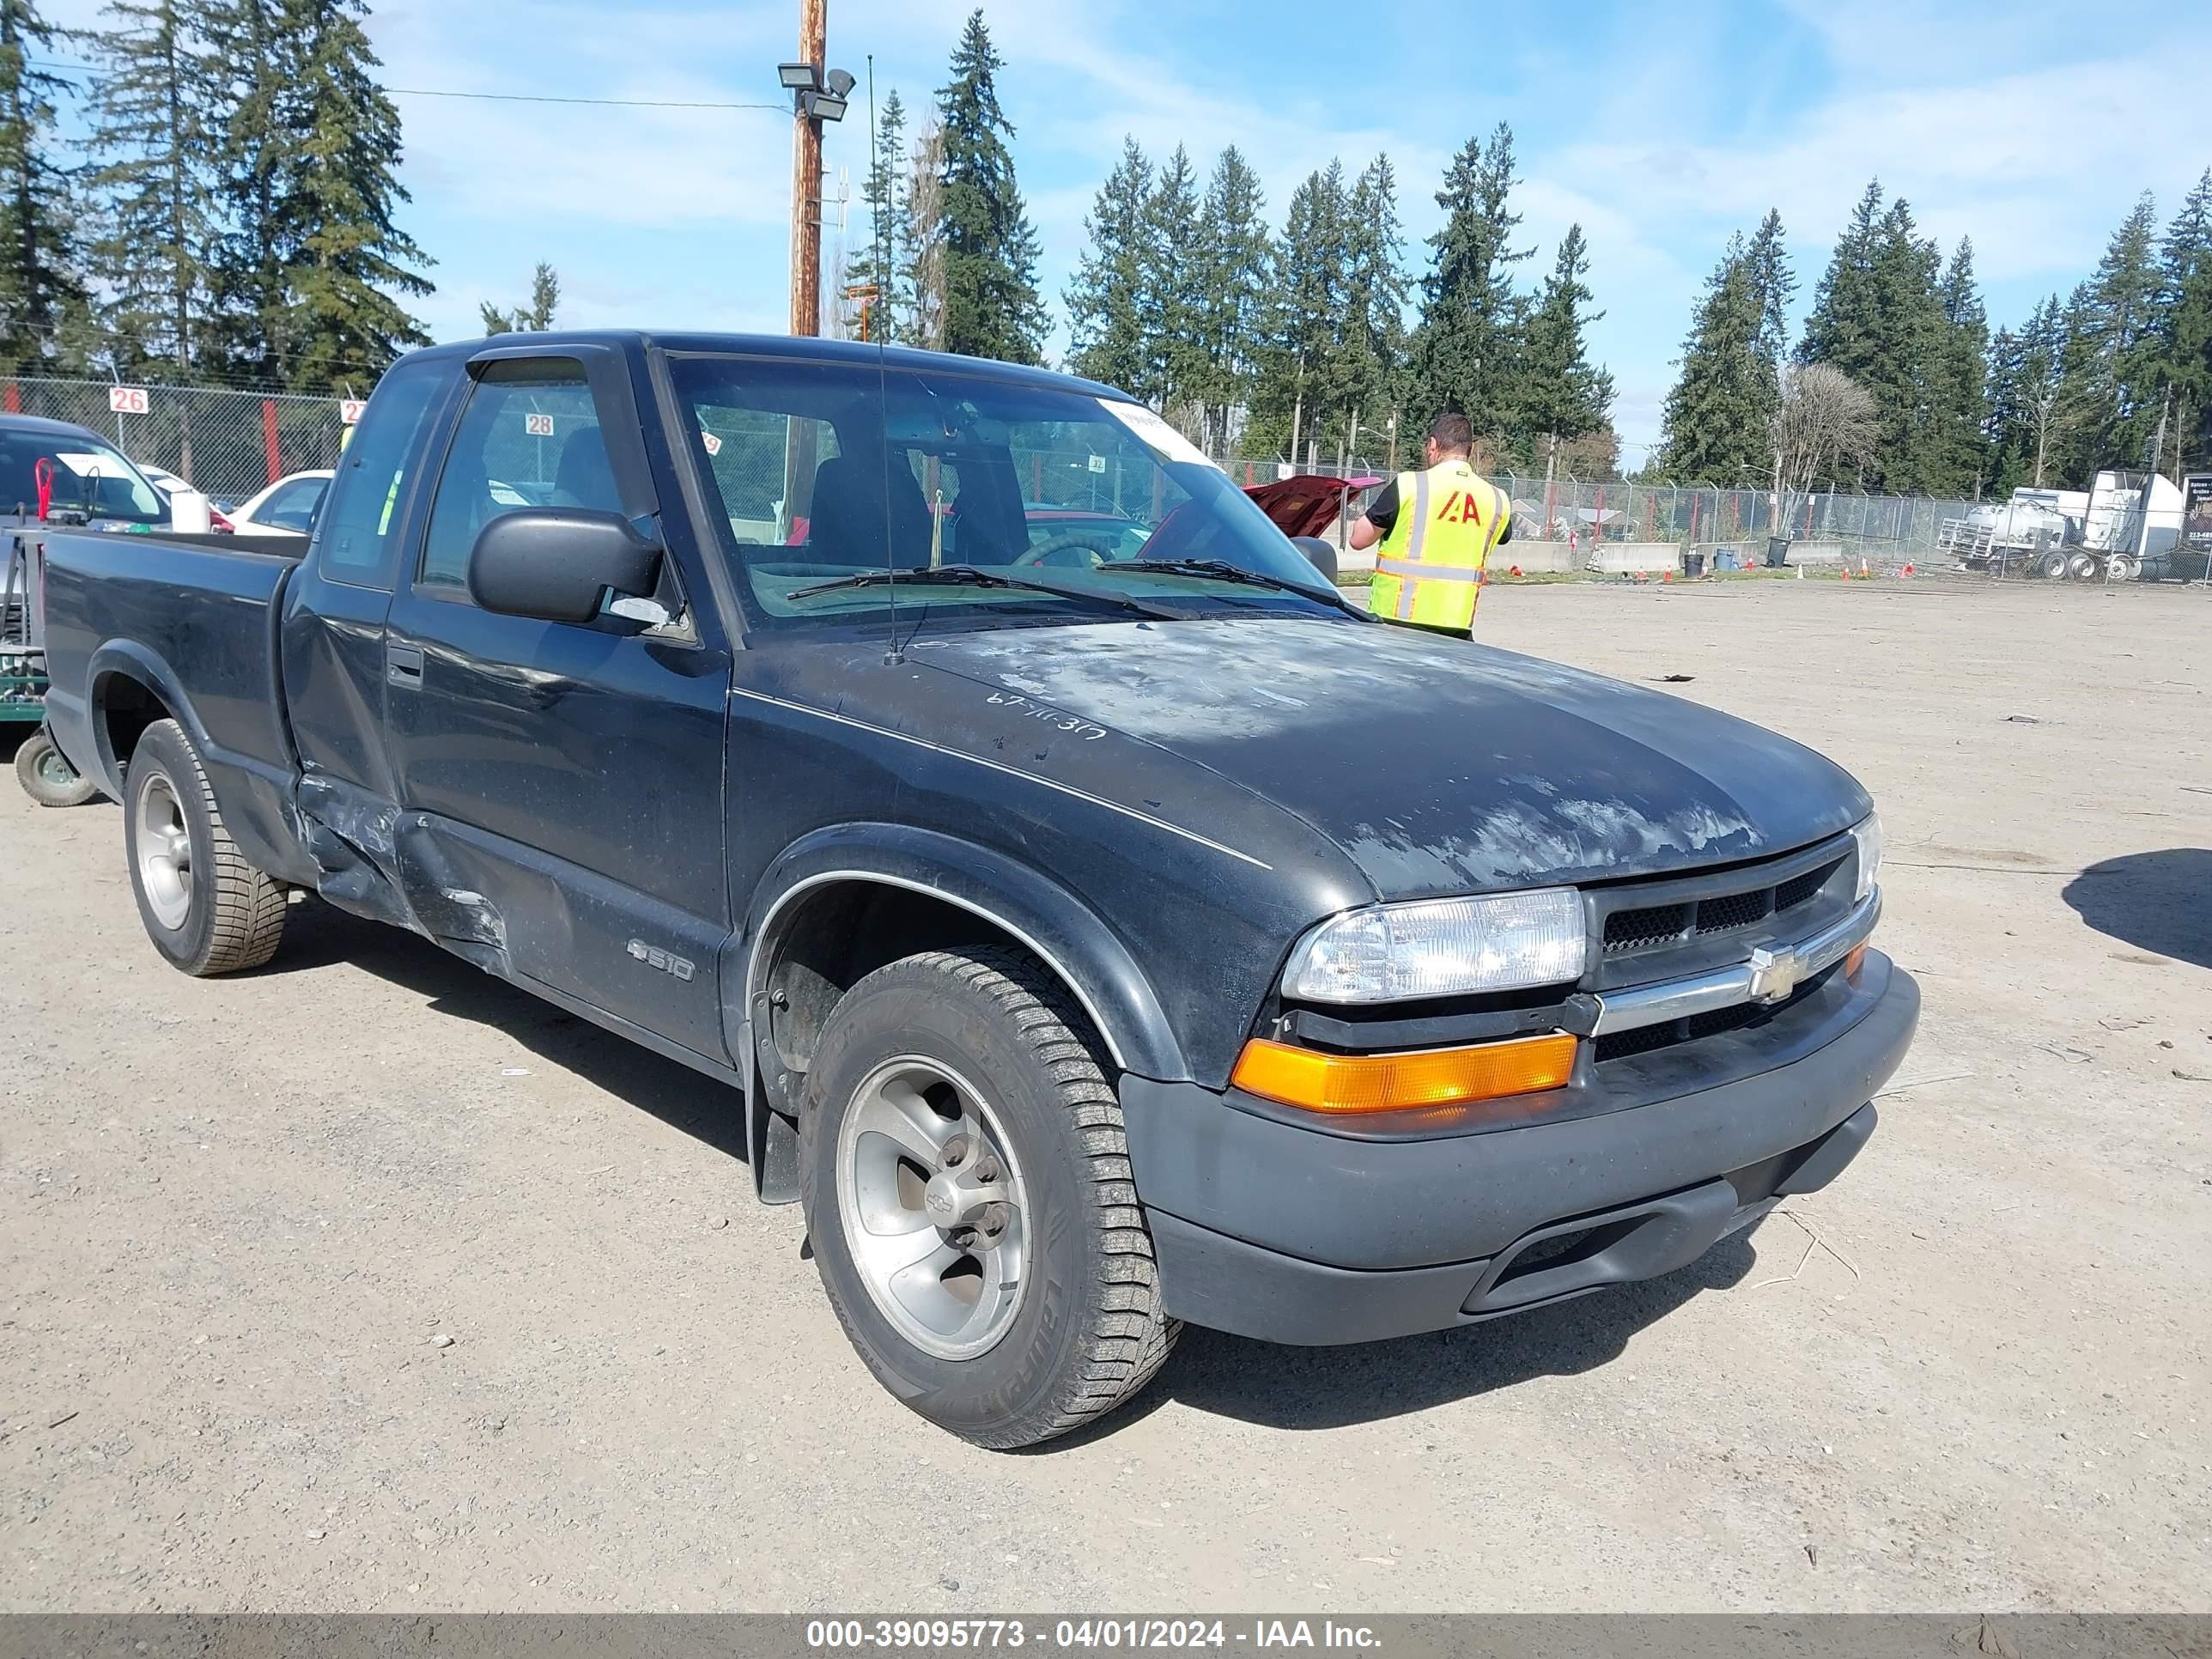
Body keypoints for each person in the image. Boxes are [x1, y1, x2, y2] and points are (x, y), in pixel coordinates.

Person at [1348, 411, 1512, 640]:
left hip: (1396, 624)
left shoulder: (1410, 484)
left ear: (1433, 445)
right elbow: (1502, 536)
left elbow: (1359, 540)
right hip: (1457, 630)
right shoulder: (1497, 499)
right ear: (1471, 450)